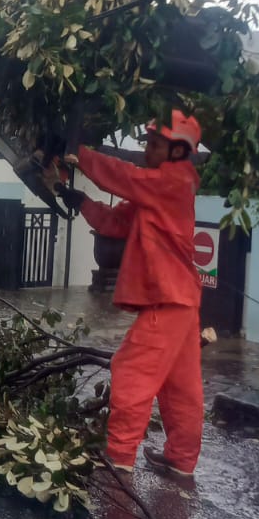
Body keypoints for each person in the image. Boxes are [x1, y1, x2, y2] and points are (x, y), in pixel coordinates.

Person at [56, 112, 205, 481]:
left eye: (155, 144)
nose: (147, 150)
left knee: (132, 371)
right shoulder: (159, 188)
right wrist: (79, 200)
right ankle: (181, 461)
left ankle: (119, 459)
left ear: (177, 151)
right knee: (180, 388)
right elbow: (116, 223)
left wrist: (81, 154)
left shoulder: (172, 180)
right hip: (181, 302)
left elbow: (124, 177)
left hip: (167, 300)